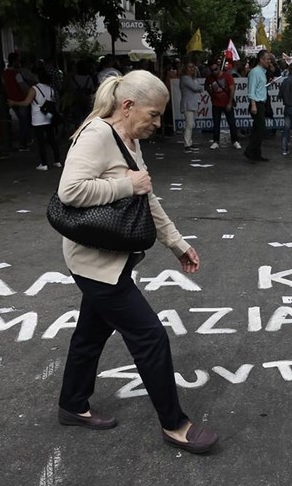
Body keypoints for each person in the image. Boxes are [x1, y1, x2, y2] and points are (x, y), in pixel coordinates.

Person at [56, 70, 218, 454]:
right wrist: (127, 185)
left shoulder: (126, 138)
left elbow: (148, 199)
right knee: (149, 336)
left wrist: (176, 243)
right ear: (127, 107)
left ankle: (72, 403)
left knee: (90, 335)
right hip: (95, 262)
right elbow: (70, 190)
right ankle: (175, 424)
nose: (158, 123)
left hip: (111, 257)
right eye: (154, 114)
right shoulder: (97, 135)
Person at [8, 69, 62, 171]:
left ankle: (44, 163)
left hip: (38, 119)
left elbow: (26, 103)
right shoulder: (51, 89)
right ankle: (57, 161)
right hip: (49, 117)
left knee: (41, 141)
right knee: (52, 140)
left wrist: (14, 102)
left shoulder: (34, 89)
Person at [204, 60, 241, 150]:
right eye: (212, 70)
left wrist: (229, 103)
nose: (214, 72)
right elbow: (206, 85)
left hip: (226, 103)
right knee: (216, 123)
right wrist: (211, 93)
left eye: (215, 69)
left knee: (232, 123)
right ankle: (216, 141)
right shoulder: (210, 77)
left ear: (219, 67)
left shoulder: (227, 76)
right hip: (216, 104)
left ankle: (235, 141)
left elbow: (232, 89)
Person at [245, 49, 272, 162]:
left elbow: (259, 87)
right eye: (267, 59)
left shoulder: (262, 72)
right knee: (260, 129)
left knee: (258, 129)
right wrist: (253, 104)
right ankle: (250, 150)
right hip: (257, 103)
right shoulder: (255, 72)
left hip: (262, 102)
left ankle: (256, 153)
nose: (269, 61)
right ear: (261, 59)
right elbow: (251, 89)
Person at [3, 52, 33, 151]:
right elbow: (23, 87)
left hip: (11, 99)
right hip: (21, 100)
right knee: (24, 122)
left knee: (21, 121)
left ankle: (24, 142)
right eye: (18, 60)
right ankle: (24, 143)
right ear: (14, 61)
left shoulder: (5, 73)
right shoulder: (17, 74)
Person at [179, 63, 204, 152]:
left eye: (193, 67)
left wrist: (199, 88)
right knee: (189, 124)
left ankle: (189, 142)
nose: (192, 69)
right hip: (188, 104)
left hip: (192, 104)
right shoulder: (185, 78)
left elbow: (198, 88)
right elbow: (196, 88)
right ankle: (187, 145)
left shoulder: (192, 78)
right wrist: (199, 88)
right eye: (189, 67)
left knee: (191, 124)